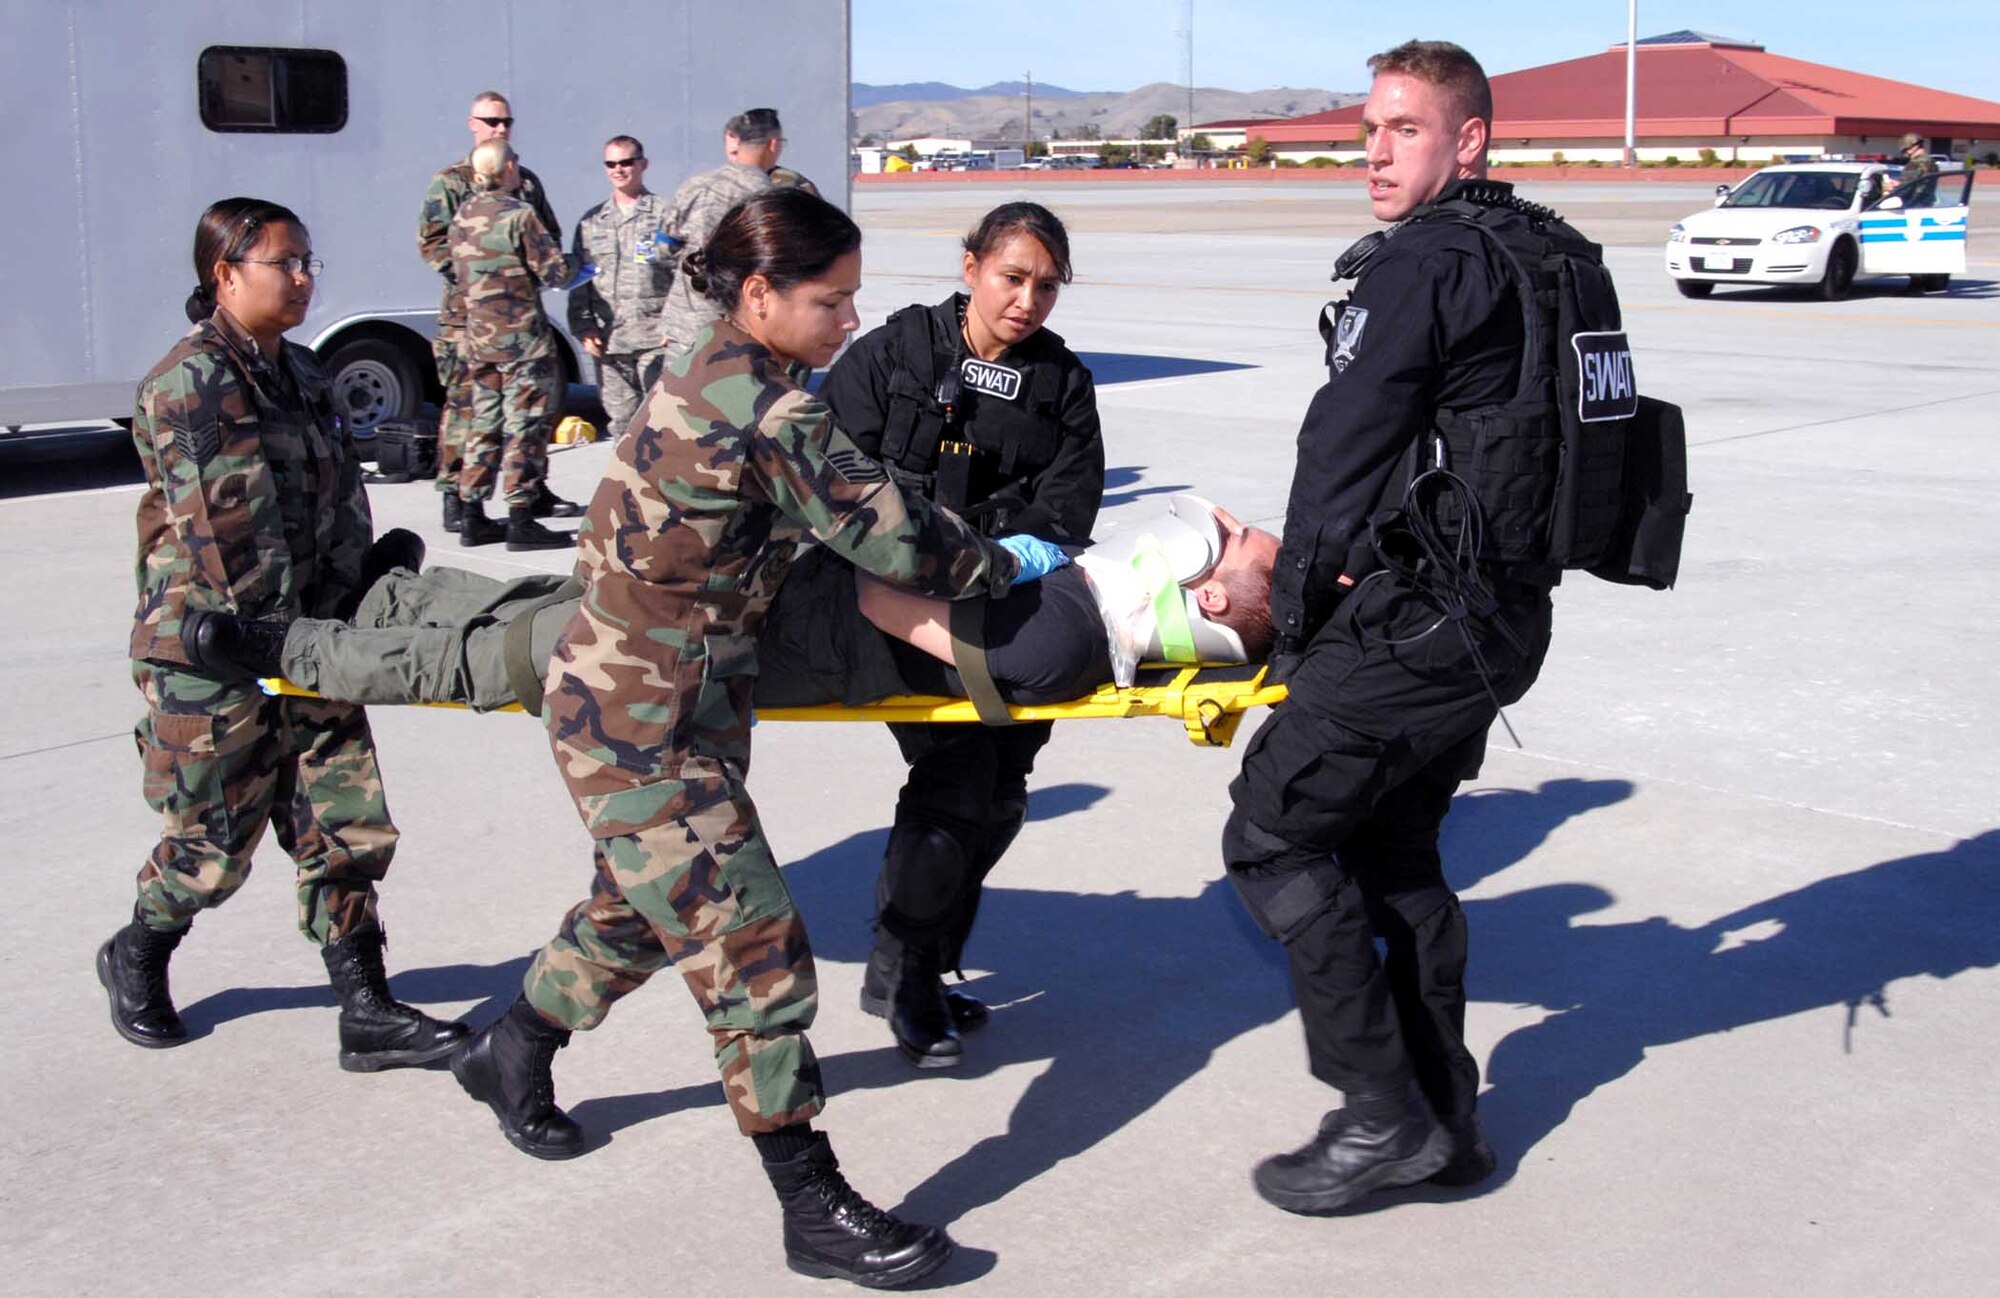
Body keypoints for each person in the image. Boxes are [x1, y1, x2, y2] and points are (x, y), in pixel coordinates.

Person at [444, 187, 1067, 1289]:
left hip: (666, 696)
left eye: (855, 299)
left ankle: (512, 1047)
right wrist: (1007, 561)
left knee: (636, 910)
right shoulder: (767, 409)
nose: (849, 321)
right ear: (759, 293)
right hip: (639, 720)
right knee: (751, 941)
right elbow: (897, 537)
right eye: (830, 302)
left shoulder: (708, 366)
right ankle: (810, 1201)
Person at [1222, 40, 1592, 1215]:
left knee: (1273, 836)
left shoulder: (1424, 265)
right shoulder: (1558, 257)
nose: (1373, 154)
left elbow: (1338, 457)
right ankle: (1446, 1122)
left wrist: (1283, 626)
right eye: (1368, 130)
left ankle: (1376, 1111)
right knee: (1390, 855)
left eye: (1404, 130)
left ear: (1468, 138)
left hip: (1420, 620)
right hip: (1501, 618)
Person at [95, 197, 468, 1074]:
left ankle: (366, 1008)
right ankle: (139, 951)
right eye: (284, 263)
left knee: (343, 822)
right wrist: (301, 643)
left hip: (309, 637)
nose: (303, 278)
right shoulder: (191, 385)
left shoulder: (300, 372)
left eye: (308, 262)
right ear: (226, 275)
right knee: (213, 845)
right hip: (216, 652)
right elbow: (232, 546)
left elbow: (336, 501)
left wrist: (364, 580)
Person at [817, 202, 1104, 1069]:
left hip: (998, 599)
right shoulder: (896, 353)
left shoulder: (1062, 384)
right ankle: (902, 973)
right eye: (1012, 278)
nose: (1028, 302)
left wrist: (998, 558)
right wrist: (914, 553)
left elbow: (1068, 511)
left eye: (1047, 287)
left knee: (1004, 789)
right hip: (886, 597)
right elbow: (827, 464)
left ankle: (923, 960)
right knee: (958, 776)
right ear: (971, 264)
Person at [179, 496, 1279, 715]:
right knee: (549, 593)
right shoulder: (1085, 593)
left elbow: (889, 602)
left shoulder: (1071, 633)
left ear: (1212, 590)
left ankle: (283, 647)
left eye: (1234, 537)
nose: (1222, 519)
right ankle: (385, 592)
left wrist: (910, 537)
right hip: (760, 598)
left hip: (765, 639)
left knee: (503, 655)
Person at [418, 90, 571, 534]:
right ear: (472, 123)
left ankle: (524, 491)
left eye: (506, 121)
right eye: (490, 121)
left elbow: (549, 235)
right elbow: (431, 244)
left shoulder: (526, 183)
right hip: (467, 319)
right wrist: (483, 280)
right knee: (468, 411)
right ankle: (457, 494)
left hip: (509, 315)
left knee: (510, 413)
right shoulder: (450, 183)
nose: (499, 128)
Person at [447, 140, 579, 551]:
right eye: (514, 161)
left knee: (483, 423)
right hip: (522, 340)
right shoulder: (520, 216)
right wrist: (576, 264)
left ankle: (472, 515)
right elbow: (554, 271)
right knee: (525, 425)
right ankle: (521, 517)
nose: (519, 166)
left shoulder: (464, 214)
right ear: (504, 170)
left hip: (480, 339)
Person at [568, 134, 673, 435]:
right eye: (611, 164)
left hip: (654, 337)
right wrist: (584, 325)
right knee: (623, 425)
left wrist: (674, 324)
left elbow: (684, 272)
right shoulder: (592, 222)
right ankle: (628, 483)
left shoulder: (665, 215)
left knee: (661, 423)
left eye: (626, 162)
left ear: (643, 164)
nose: (619, 169)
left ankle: (663, 483)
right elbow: (580, 278)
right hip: (609, 340)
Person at [655, 111, 778, 357]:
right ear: (773, 145)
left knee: (678, 394)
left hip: (683, 326)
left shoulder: (695, 186)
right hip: (735, 333)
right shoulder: (766, 198)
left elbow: (662, 250)